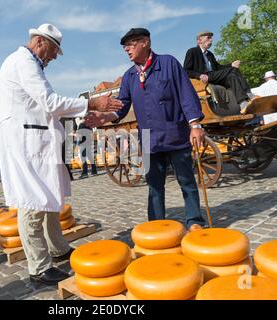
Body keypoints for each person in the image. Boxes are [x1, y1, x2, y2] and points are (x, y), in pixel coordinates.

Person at [0, 23, 123, 285]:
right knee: (33, 202)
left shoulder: (29, 63)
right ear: (41, 42)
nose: (54, 57)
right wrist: (91, 102)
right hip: (27, 143)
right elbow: (50, 102)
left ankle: (57, 249)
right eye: (54, 51)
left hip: (37, 141)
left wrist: (87, 113)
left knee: (48, 197)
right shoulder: (24, 63)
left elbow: (49, 107)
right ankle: (39, 268)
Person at [85, 28, 207, 232]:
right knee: (154, 186)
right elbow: (121, 106)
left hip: (175, 132)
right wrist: (104, 117)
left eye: (131, 44)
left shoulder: (168, 63)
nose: (126, 49)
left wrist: (195, 125)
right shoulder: (130, 76)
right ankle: (156, 225)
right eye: (125, 46)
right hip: (149, 139)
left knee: (186, 180)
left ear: (145, 42)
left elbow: (186, 94)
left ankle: (195, 220)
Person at [183, 31, 253, 110]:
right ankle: (249, 93)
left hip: (214, 76)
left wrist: (231, 65)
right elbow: (186, 70)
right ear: (199, 40)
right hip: (205, 77)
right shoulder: (192, 51)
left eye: (211, 38)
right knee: (232, 70)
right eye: (208, 38)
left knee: (232, 75)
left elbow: (218, 67)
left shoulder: (210, 54)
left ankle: (242, 103)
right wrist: (199, 75)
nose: (211, 40)